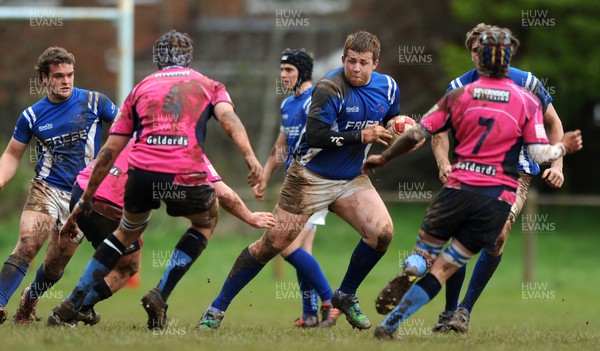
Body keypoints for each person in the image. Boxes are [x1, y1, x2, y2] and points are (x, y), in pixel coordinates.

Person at [361, 27, 582, 340]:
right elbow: (538, 152)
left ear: (481, 59)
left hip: (458, 188)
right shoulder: (525, 101)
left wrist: (383, 158)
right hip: (496, 197)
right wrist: (562, 149)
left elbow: (418, 132)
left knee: (426, 256)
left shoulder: (459, 95)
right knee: (445, 268)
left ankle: (413, 265)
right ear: (507, 59)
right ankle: (391, 324)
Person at [46, 30, 264, 326]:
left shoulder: (141, 88)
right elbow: (229, 119)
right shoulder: (209, 85)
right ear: (189, 58)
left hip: (141, 174)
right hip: (183, 173)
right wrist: (250, 156)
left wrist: (85, 200)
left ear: (158, 60)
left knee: (125, 233)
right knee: (205, 221)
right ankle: (161, 293)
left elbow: (111, 149)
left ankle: (72, 303)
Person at [196, 30, 398, 331]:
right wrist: (360, 135)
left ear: (376, 63)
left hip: (351, 179)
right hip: (310, 178)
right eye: (351, 61)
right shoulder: (329, 88)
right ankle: (216, 308)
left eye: (363, 63)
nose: (356, 68)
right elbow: (317, 136)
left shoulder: (388, 88)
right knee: (272, 245)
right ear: (343, 59)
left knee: (382, 233)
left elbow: (389, 123)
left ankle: (344, 295)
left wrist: (400, 134)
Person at [13, 141, 273, 327]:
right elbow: (223, 192)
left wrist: (75, 214)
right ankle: (74, 307)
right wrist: (250, 217)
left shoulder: (142, 130)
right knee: (128, 266)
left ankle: (73, 306)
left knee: (120, 258)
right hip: (111, 205)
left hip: (81, 190)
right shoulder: (188, 144)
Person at [429, 23, 566, 333]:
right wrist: (442, 162)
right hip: (471, 170)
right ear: (471, 53)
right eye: (477, 50)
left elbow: (554, 122)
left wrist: (557, 164)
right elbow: (438, 131)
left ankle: (464, 310)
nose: (483, 55)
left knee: (497, 235)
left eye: (490, 49)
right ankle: (449, 311)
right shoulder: (459, 86)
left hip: (514, 172)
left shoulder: (526, 82)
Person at [0, 47, 119, 324]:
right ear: (44, 78)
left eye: (70, 75)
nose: (66, 81)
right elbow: (12, 154)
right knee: (28, 244)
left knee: (53, 268)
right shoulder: (31, 116)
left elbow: (125, 128)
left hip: (83, 195)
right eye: (58, 76)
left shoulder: (94, 101)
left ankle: (30, 300)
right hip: (47, 189)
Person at [252, 48, 339, 328]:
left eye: (288, 70)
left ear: (302, 72)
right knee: (304, 249)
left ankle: (330, 301)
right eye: (281, 70)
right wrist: (264, 176)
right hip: (296, 184)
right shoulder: (287, 105)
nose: (283, 75)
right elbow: (281, 145)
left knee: (286, 247)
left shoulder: (315, 100)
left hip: (313, 183)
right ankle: (311, 314)